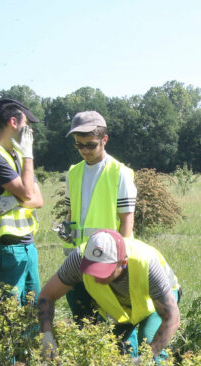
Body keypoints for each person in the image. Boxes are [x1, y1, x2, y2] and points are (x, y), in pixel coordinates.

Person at [36, 230, 181, 366]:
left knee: (149, 344)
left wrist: (145, 361)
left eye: (104, 271)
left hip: (155, 302)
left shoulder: (146, 262)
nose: (97, 277)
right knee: (118, 357)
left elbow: (172, 318)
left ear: (123, 262)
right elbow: (47, 296)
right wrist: (46, 336)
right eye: (93, 270)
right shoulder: (79, 259)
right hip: (118, 308)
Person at [59, 110, 138, 323]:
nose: (84, 150)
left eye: (90, 144)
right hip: (77, 259)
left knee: (118, 323)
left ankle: (129, 358)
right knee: (83, 322)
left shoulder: (119, 172)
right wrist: (66, 228)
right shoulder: (73, 173)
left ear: (104, 140)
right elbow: (71, 213)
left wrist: (121, 264)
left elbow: (127, 220)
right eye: (79, 144)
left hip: (108, 262)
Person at [0, 98, 44, 306]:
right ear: (14, 122)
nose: (30, 131)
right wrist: (29, 155)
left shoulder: (19, 157)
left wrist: (15, 201)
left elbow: (38, 200)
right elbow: (26, 192)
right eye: (27, 125)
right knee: (6, 317)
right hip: (4, 249)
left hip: (26, 246)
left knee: (32, 314)